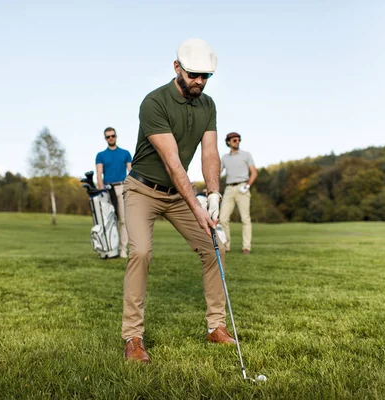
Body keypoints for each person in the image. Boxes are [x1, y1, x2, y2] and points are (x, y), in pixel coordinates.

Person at [122, 38, 235, 363]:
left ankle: (216, 327)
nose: (199, 81)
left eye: (206, 76)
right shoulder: (154, 102)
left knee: (215, 247)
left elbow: (210, 152)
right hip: (142, 190)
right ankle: (133, 337)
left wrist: (213, 194)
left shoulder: (208, 105)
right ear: (177, 68)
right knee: (141, 252)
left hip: (178, 195)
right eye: (194, 74)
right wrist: (198, 206)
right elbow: (172, 162)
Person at [95, 127, 132, 258]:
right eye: (108, 136)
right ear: (105, 138)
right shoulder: (101, 155)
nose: (110, 138)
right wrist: (101, 190)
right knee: (109, 221)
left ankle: (123, 249)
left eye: (112, 136)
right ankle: (110, 248)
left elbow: (131, 171)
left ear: (116, 136)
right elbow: (99, 174)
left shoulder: (125, 153)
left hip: (122, 188)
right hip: (107, 189)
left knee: (123, 220)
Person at [219, 132, 258, 255]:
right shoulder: (224, 158)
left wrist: (247, 186)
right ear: (229, 142)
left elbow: (254, 172)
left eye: (238, 140)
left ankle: (246, 247)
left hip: (243, 187)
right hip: (229, 188)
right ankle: (226, 246)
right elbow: (217, 173)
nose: (237, 142)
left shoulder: (246, 155)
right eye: (234, 140)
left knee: (245, 219)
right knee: (223, 218)